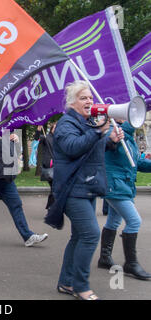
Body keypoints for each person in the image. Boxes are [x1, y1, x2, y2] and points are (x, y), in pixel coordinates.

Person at [53, 80, 123, 300]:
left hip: (87, 186)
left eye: (91, 98)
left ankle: (66, 282)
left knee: (78, 237)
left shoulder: (87, 122)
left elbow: (92, 149)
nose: (90, 101)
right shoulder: (66, 124)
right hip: (72, 189)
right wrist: (98, 132)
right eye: (84, 98)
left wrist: (111, 139)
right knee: (91, 234)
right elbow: (73, 148)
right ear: (72, 103)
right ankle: (80, 286)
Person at [0, 129, 48, 247]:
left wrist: (15, 142)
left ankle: (28, 236)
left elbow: (13, 153)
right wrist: (2, 139)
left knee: (16, 206)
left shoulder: (9, 132)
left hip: (7, 177)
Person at [98, 120, 151, 280]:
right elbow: (103, 150)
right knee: (134, 221)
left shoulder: (127, 136)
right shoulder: (115, 134)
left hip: (121, 185)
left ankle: (104, 258)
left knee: (113, 221)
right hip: (115, 186)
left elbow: (135, 162)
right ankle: (131, 263)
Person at [34, 123, 56, 209]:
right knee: (55, 187)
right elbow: (36, 138)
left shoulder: (60, 138)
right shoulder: (46, 137)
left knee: (55, 188)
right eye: (55, 128)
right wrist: (39, 129)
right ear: (51, 129)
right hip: (49, 166)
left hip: (59, 166)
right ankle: (51, 206)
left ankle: (51, 206)